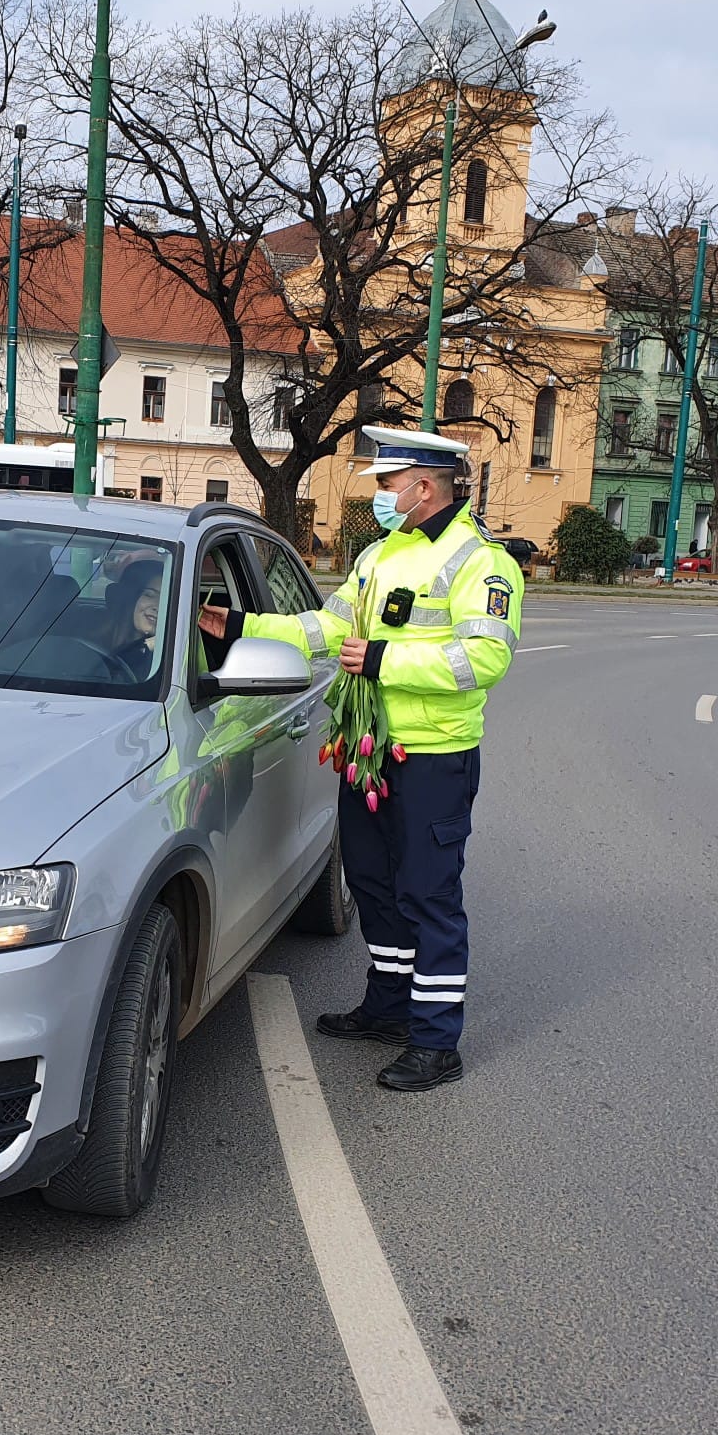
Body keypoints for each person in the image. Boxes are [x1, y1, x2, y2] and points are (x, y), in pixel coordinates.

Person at [198, 427, 522, 1092]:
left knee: (428, 896)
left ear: (424, 486)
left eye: (386, 482)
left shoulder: (482, 564)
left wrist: (382, 659)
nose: (378, 493)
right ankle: (388, 1008)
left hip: (433, 757)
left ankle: (436, 1042)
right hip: (366, 751)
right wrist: (236, 626)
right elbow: (324, 629)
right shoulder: (378, 555)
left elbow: (484, 659)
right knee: (372, 885)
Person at [102, 559, 163, 682]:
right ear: (132, 599)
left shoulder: (173, 658)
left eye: (165, 598)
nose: (156, 606)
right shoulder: (96, 641)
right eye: (149, 595)